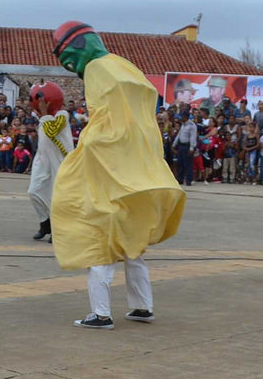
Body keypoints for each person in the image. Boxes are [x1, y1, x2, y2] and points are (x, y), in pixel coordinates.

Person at [48, 22, 185, 330]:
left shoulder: (97, 68)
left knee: (101, 245)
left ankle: (100, 314)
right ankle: (141, 307)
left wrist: (85, 147)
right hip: (138, 174)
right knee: (133, 247)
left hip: (112, 177)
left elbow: (103, 121)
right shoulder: (124, 65)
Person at [26, 82, 72, 241]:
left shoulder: (63, 115)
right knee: (34, 191)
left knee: (57, 196)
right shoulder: (41, 118)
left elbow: (52, 131)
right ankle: (45, 223)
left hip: (59, 160)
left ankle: (57, 230)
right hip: (42, 159)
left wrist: (44, 113)